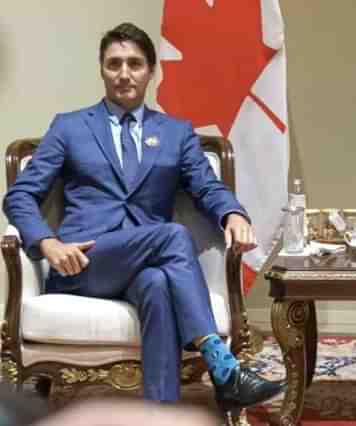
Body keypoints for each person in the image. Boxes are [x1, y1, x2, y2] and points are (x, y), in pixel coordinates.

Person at [2, 22, 285, 411]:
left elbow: (207, 186)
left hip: (147, 265)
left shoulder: (176, 133)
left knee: (155, 284)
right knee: (171, 236)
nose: (123, 73)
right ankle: (222, 366)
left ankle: (159, 413)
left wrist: (233, 213)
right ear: (101, 70)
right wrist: (48, 243)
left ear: (151, 71)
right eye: (114, 63)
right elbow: (20, 195)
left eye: (134, 63)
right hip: (85, 263)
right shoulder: (69, 127)